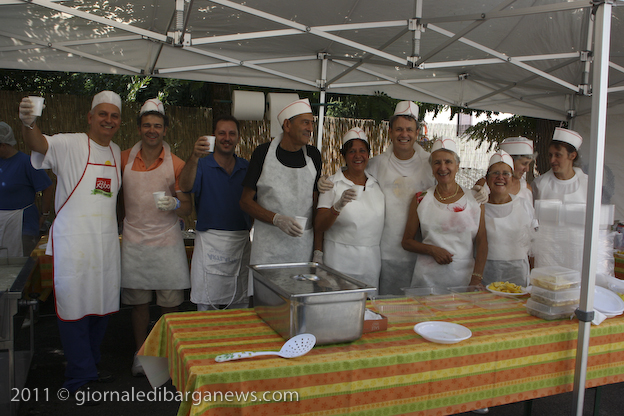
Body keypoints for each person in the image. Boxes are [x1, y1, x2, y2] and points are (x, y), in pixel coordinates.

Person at [19, 91, 122, 395]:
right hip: (74, 245)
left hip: (104, 245)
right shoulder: (70, 143)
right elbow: (39, 144)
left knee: (102, 306)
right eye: (102, 114)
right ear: (90, 117)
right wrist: (28, 122)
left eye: (114, 116)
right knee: (74, 308)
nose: (108, 120)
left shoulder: (116, 151)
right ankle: (78, 378)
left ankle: (91, 364)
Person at [119, 98, 191, 376]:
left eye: (157, 126)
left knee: (169, 305)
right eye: (147, 125)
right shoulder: (123, 159)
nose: (152, 130)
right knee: (139, 304)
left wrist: (175, 204)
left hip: (167, 242)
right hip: (134, 241)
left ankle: (168, 355)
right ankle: (141, 354)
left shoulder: (177, 164)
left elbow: (187, 207)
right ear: (139, 128)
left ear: (165, 129)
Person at [240, 98, 322, 286]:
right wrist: (276, 219)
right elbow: (245, 202)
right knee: (264, 296)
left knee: (298, 296)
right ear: (287, 125)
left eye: (312, 123)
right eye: (305, 122)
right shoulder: (263, 154)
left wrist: (318, 250)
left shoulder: (313, 156)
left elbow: (316, 205)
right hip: (268, 248)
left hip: (301, 248)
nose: (310, 128)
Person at [179, 115, 252, 311]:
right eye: (222, 133)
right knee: (206, 302)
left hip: (240, 240)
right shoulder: (201, 165)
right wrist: (194, 156)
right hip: (209, 240)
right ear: (214, 136)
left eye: (232, 133)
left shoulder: (246, 167)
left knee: (240, 303)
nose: (227, 138)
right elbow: (184, 186)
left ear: (238, 138)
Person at [402, 138, 487, 289]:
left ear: (457, 166)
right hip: (427, 280)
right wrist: (432, 250)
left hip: (464, 279)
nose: (443, 167)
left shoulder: (475, 199)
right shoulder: (421, 199)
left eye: (448, 162)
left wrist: (476, 278)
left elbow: (482, 242)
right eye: (437, 163)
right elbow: (407, 241)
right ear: (431, 167)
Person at [314, 128, 384, 288]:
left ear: (368, 155)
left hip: (370, 264)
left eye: (362, 151)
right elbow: (319, 225)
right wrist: (337, 207)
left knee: (366, 303)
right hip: (338, 262)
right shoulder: (332, 184)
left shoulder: (376, 185)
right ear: (344, 155)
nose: (358, 156)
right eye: (352, 151)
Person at [482, 150, 537, 287]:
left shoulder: (524, 205)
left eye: (506, 174)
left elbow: (534, 242)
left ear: (512, 179)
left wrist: (535, 275)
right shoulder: (478, 207)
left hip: (519, 275)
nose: (500, 177)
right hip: (485, 275)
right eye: (495, 173)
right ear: (487, 179)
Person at [0, 121, 52, 257]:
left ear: (3, 145)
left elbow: (47, 187)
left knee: (23, 263)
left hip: (22, 224)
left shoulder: (26, 163)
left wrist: (44, 214)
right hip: (1, 223)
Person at [472, 137, 535, 203]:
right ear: (510, 161)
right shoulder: (483, 185)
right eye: (524, 164)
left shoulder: (526, 189)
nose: (527, 169)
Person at [532, 127, 587, 203]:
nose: (552, 160)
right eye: (550, 155)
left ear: (572, 156)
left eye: (558, 155)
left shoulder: (587, 184)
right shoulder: (539, 184)